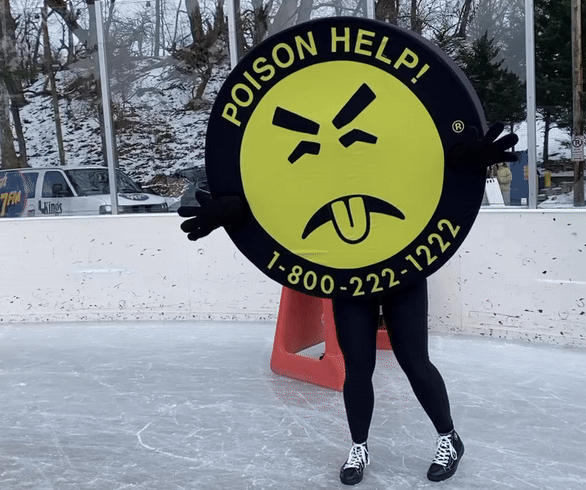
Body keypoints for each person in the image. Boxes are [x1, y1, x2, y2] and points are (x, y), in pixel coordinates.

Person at [178, 123, 518, 485]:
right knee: (357, 369)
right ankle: (359, 446)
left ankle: (449, 438)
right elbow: (281, 201)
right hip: (348, 280)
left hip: (402, 272)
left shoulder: (394, 148)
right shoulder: (314, 167)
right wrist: (237, 214)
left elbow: (430, 172)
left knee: (414, 362)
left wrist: (467, 163)